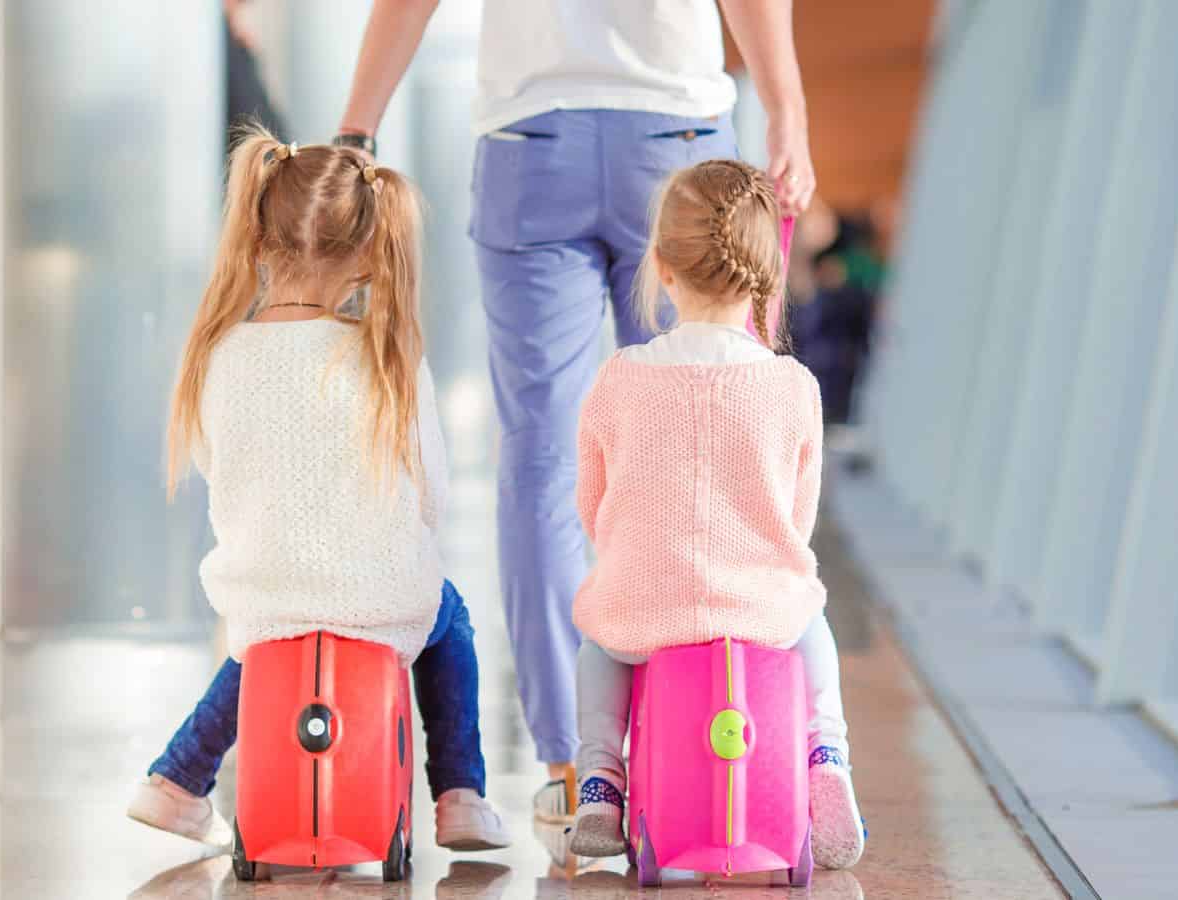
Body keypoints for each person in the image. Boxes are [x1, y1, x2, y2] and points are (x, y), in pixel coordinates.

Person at [334, 0, 819, 823]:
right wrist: (786, 113)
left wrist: (357, 131)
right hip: (679, 138)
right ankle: (700, 730)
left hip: (532, 144)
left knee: (540, 463)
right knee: (709, 427)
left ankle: (571, 764)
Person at [125, 127, 508, 852]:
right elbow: (430, 492)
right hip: (382, 596)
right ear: (369, 251)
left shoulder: (220, 356)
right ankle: (460, 793)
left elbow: (219, 467)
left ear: (258, 234)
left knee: (261, 643)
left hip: (263, 594)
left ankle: (177, 782)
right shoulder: (387, 355)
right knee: (448, 620)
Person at [565, 160, 863, 869]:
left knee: (597, 641)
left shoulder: (620, 379)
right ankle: (827, 760)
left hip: (647, 608)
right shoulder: (793, 386)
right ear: (767, 274)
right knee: (812, 619)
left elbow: (592, 503)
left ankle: (602, 780)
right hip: (760, 613)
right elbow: (799, 514)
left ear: (662, 267)